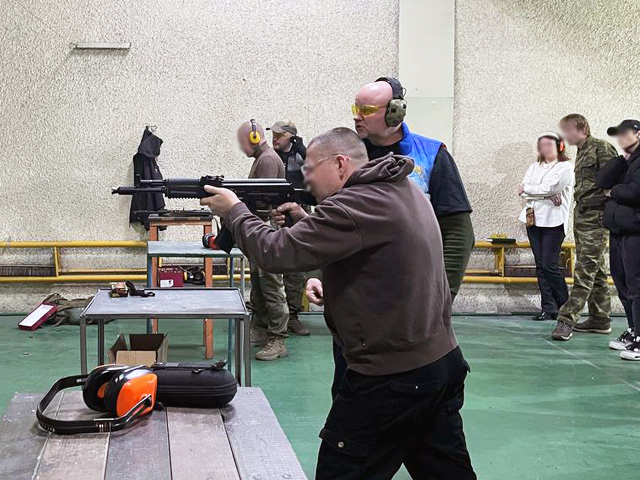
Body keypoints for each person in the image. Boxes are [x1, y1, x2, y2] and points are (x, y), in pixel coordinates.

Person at [200, 128, 476, 480]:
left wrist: (234, 211)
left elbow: (276, 252)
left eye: (311, 168)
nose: (304, 177)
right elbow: (388, 264)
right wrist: (332, 274)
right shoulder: (402, 189)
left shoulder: (355, 205)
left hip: (391, 377)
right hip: (438, 363)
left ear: (341, 164)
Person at [551, 114, 617, 341]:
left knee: (584, 269)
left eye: (567, 130)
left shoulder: (601, 148)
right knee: (595, 269)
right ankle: (600, 319)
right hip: (583, 216)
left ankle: (566, 319)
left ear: (581, 128)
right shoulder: (581, 152)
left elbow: (614, 183)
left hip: (597, 218)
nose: (564, 135)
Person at [237, 119, 290, 361]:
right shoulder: (263, 158)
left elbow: (263, 199)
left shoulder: (267, 159)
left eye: (243, 141)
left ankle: (278, 338)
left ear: (254, 138)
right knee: (259, 282)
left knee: (270, 284)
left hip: (266, 228)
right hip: (260, 228)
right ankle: (260, 327)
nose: (241, 146)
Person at [518, 133, 574, 321]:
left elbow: (552, 188)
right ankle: (548, 308)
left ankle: (566, 308)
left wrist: (532, 189)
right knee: (540, 266)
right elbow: (522, 191)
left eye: (549, 144)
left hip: (554, 221)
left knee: (550, 265)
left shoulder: (565, 167)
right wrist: (539, 193)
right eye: (542, 145)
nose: (545, 148)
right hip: (533, 219)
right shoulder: (534, 167)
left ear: (559, 146)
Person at [597, 120, 640, 359]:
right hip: (619, 230)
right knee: (622, 282)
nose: (620, 138)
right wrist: (619, 159)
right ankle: (634, 330)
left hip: (635, 231)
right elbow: (602, 181)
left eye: (625, 134)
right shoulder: (627, 161)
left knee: (637, 286)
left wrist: (613, 192)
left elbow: (635, 192)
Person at [268, 120, 310, 336]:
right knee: (271, 264)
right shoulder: (269, 156)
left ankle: (293, 315)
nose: (274, 138)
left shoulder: (304, 156)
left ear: (291, 136)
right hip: (274, 212)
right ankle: (269, 318)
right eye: (273, 134)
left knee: (297, 267)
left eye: (279, 135)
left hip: (299, 212)